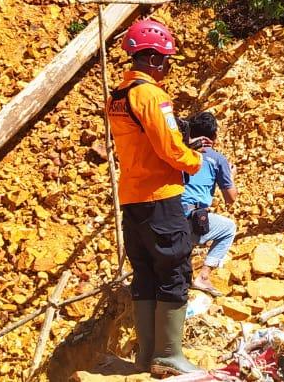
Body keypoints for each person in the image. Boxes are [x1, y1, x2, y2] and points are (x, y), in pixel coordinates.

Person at [106, 18, 203, 376]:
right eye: (167, 60)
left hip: (132, 198)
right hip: (160, 198)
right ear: (155, 59)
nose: (168, 67)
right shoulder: (151, 95)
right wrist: (195, 161)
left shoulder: (118, 96)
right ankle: (169, 355)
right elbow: (170, 148)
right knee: (174, 268)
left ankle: (146, 356)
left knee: (145, 273)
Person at [179, 111, 239, 292]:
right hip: (191, 220)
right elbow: (231, 199)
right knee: (228, 228)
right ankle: (203, 277)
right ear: (214, 136)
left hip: (166, 215)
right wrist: (232, 176)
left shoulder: (177, 152)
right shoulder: (217, 159)